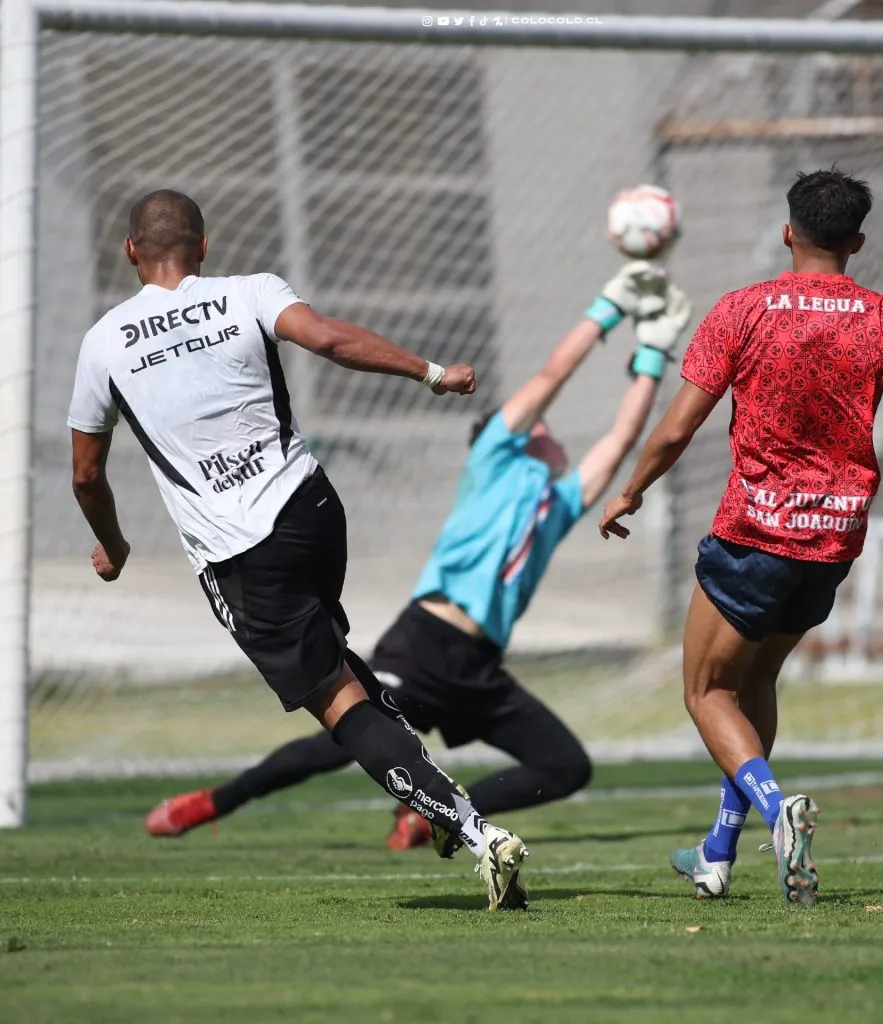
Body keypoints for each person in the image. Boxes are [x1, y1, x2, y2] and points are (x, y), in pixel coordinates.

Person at [69, 189, 535, 910]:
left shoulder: (104, 342)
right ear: (204, 245)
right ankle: (439, 797)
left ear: (130, 250)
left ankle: (477, 833)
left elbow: (86, 475)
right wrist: (430, 372)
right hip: (311, 511)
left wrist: (115, 546)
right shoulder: (250, 293)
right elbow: (327, 339)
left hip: (240, 554)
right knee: (338, 665)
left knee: (338, 703)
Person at [144, 258, 693, 848]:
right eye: (537, 425)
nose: (547, 428)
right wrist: (607, 310)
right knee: (340, 736)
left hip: (479, 665)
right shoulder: (494, 458)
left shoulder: (555, 504)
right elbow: (552, 374)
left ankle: (438, 814)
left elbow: (621, 440)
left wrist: (654, 353)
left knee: (566, 766)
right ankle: (217, 800)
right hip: (426, 644)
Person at [599, 168, 883, 906]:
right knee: (756, 683)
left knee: (707, 691)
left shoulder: (743, 309)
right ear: (857, 242)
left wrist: (631, 489)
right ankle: (717, 853)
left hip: (754, 535)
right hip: (832, 541)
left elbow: (677, 427)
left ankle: (779, 811)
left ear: (788, 232)